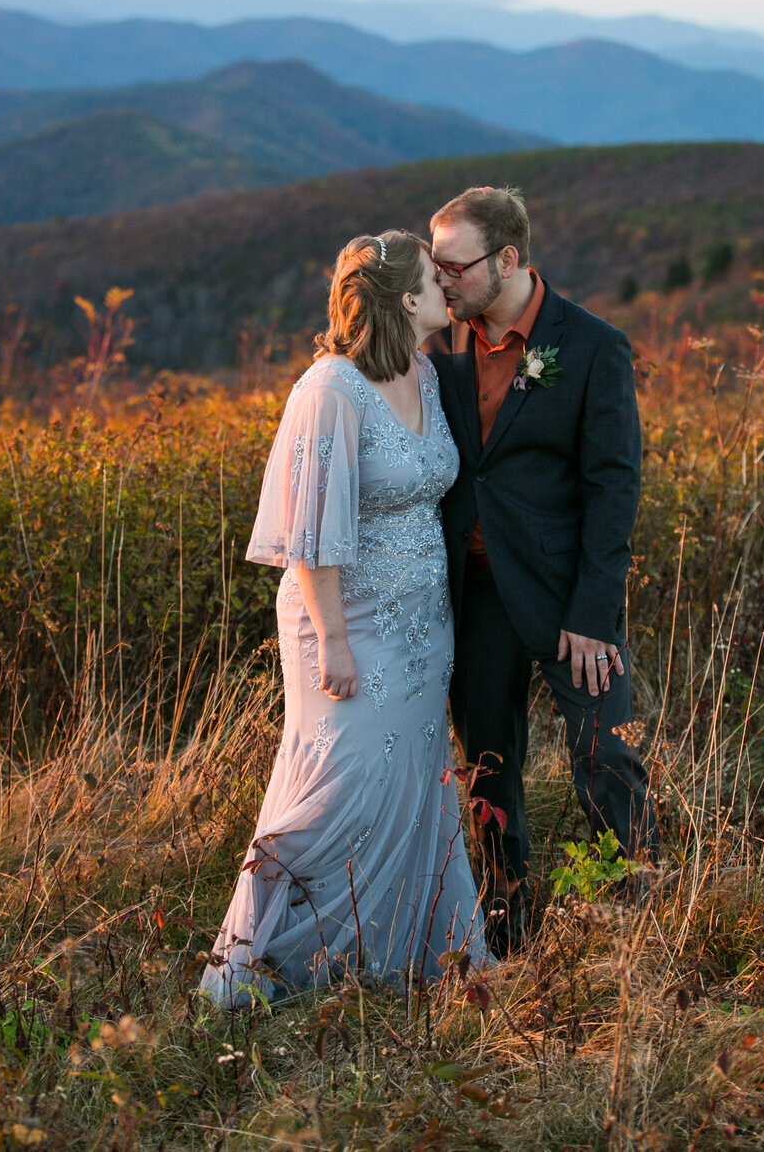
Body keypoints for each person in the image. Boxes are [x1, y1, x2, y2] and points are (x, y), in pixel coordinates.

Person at [200, 230, 487, 1008]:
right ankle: (269, 965)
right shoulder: (330, 389)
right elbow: (310, 534)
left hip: (425, 625)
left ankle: (397, 953)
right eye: (435, 278)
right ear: (403, 300)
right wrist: (332, 641)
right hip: (347, 625)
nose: (447, 289)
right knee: (341, 783)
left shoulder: (424, 374)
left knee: (412, 782)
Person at [425, 186, 660, 955]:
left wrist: (593, 615)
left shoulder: (592, 345)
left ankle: (636, 928)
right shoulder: (440, 346)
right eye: (436, 266)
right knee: (489, 765)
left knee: (605, 758)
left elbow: (613, 486)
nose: (442, 281)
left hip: (570, 596)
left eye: (455, 267)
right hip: (479, 591)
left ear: (509, 260)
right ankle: (506, 929)